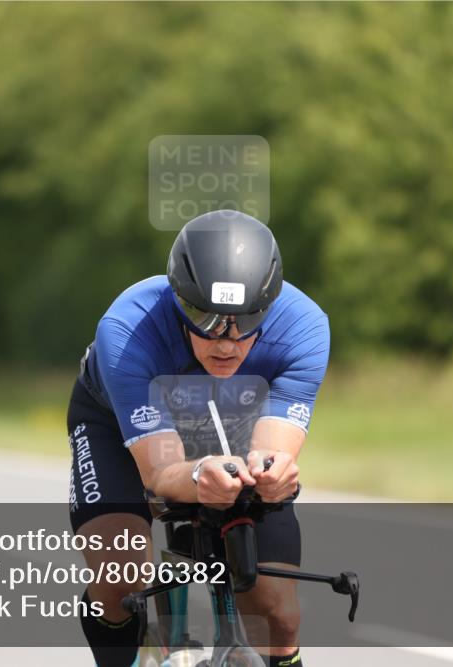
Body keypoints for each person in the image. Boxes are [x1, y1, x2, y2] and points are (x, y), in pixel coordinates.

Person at [68, 210, 330, 667]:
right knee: (120, 575)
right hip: (120, 425)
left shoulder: (303, 328)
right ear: (177, 298)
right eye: (204, 318)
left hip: (235, 424)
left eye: (245, 321)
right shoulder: (128, 329)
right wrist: (196, 471)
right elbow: (159, 473)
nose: (226, 341)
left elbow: (272, 449)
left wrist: (273, 473)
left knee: (278, 614)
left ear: (269, 304)